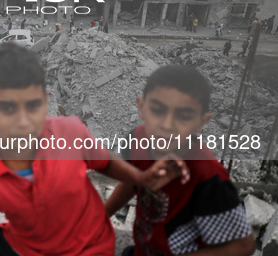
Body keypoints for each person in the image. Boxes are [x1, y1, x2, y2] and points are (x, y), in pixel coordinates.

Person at [0, 44, 188, 256]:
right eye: (7, 108)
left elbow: (105, 162)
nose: (23, 121)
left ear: (46, 101)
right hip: (24, 243)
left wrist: (140, 177)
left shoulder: (70, 133)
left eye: (33, 105)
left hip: (87, 248)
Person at [104, 65, 255, 256]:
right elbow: (132, 182)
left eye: (183, 116)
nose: (167, 125)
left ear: (201, 122)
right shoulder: (136, 140)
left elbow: (243, 246)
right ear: (141, 108)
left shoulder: (208, 178)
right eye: (157, 110)